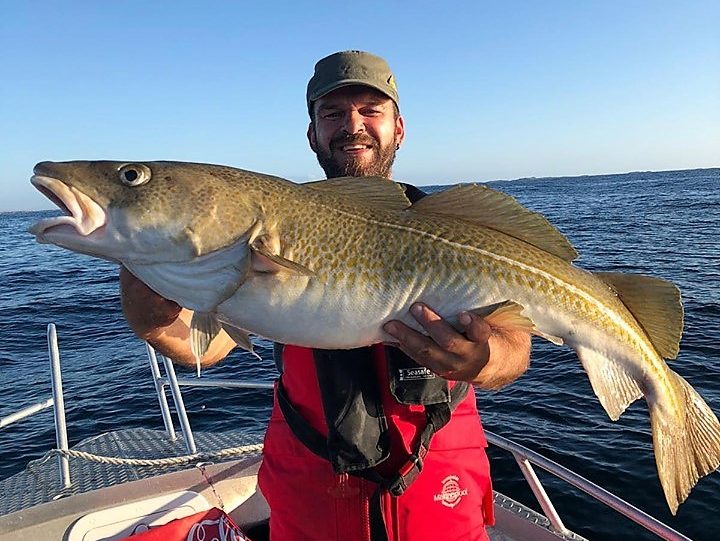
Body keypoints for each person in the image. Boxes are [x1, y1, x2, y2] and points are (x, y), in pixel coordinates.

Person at [120, 50, 531, 541]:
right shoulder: (280, 224)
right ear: (313, 133)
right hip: (311, 490)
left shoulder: (455, 230)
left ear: (399, 128)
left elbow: (515, 348)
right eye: (332, 113)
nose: (352, 125)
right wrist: (151, 322)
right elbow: (205, 347)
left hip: (439, 487)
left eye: (370, 111)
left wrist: (483, 359)